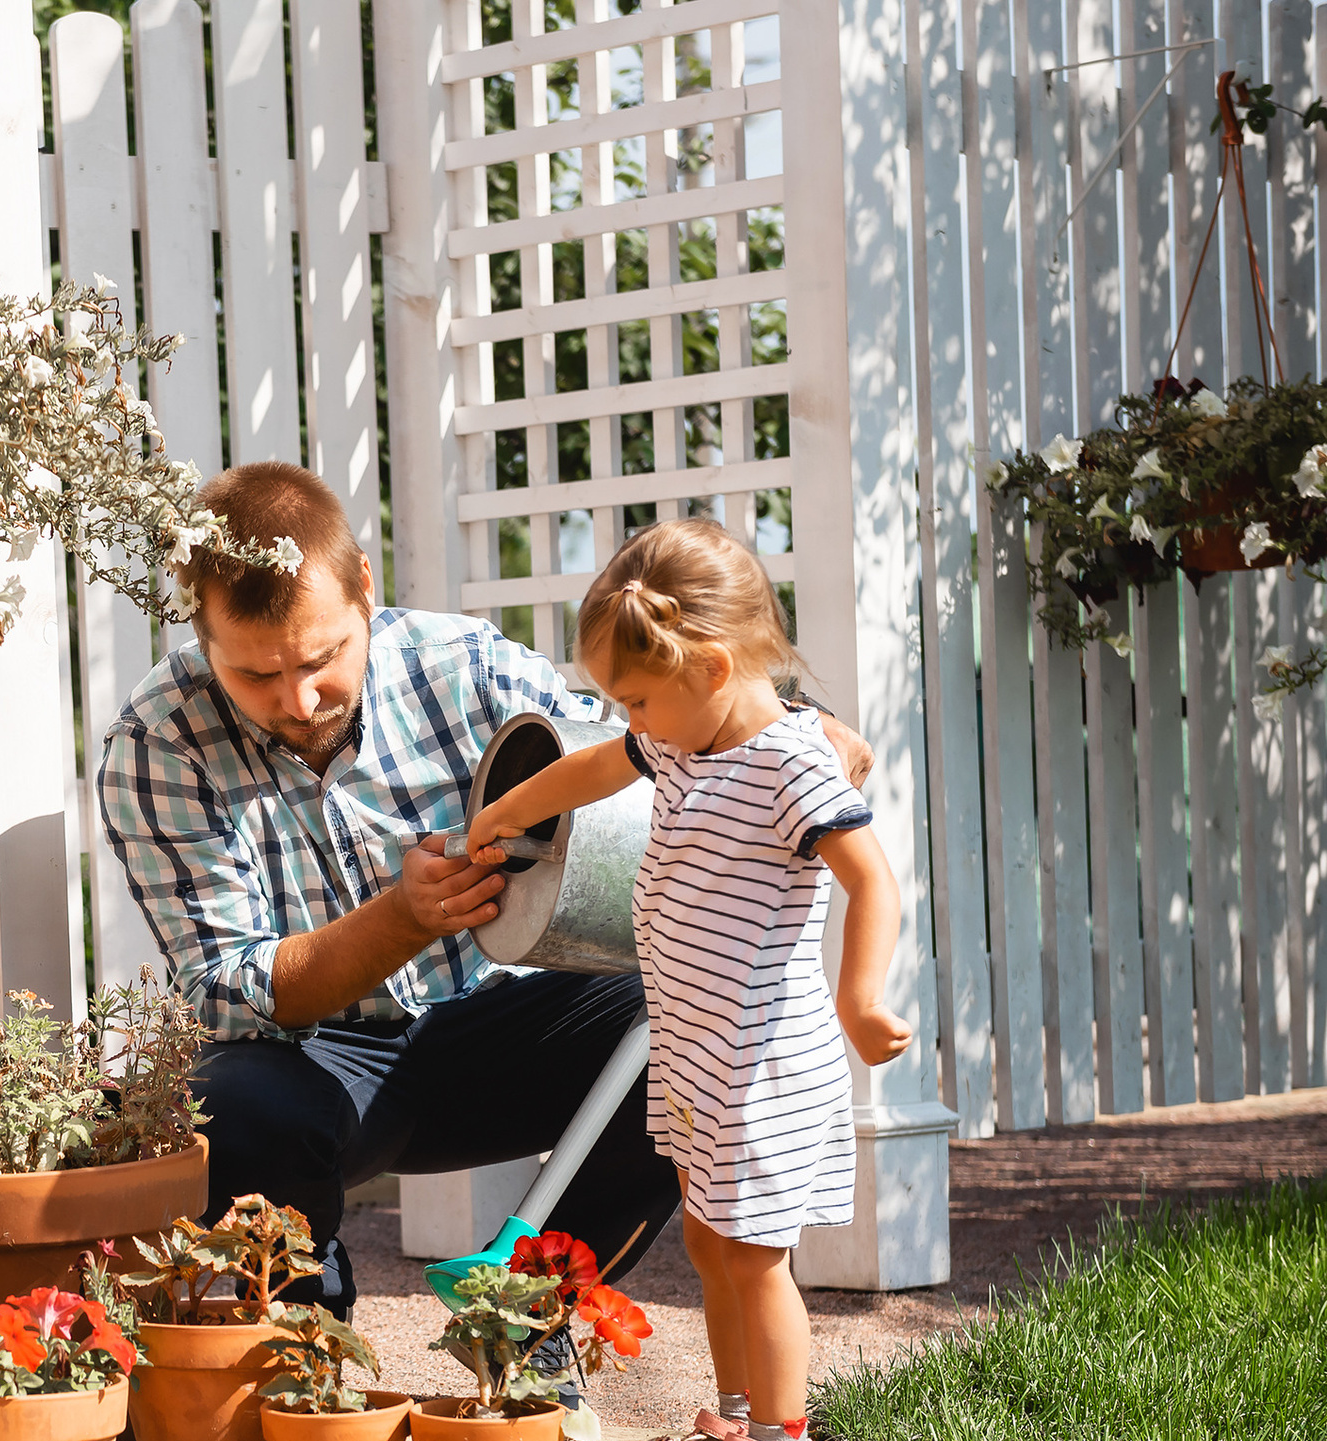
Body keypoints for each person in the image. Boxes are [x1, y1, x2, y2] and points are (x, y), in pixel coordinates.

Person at [95, 461, 875, 1319]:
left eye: (323, 658)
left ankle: (531, 1320)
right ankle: (306, 1355)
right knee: (230, 1108)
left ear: (364, 587)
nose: (299, 697)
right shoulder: (157, 741)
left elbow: (658, 726)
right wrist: (404, 916)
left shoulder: (461, 663)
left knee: (692, 1025)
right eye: (255, 677)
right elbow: (229, 994)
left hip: (506, 1025)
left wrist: (787, 726)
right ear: (200, 630)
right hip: (321, 1062)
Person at [457, 517, 909, 1441]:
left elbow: (871, 880)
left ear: (710, 665)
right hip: (697, 1050)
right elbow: (590, 768)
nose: (631, 717)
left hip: (760, 1060)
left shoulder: (791, 762)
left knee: (754, 1259)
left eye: (637, 695)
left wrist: (859, 997)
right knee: (710, 1245)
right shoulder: (680, 739)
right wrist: (503, 815)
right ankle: (737, 1424)